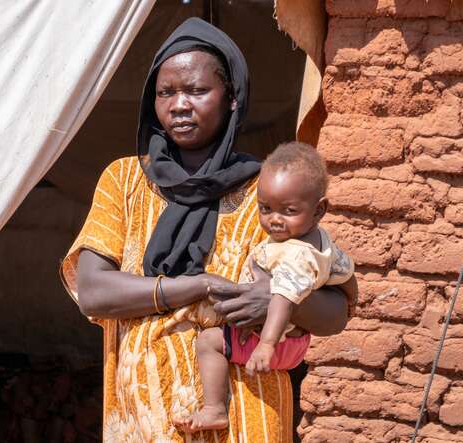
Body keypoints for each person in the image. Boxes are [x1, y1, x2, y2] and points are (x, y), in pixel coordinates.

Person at [60, 17, 357, 442]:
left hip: (246, 418)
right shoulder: (124, 181)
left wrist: (282, 302)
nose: (180, 104)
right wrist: (196, 286)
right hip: (142, 419)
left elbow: (336, 311)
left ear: (232, 98)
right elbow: (93, 291)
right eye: (166, 93)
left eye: (197, 90)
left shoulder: (269, 191)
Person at [176, 142, 355, 432]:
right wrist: (352, 299)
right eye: (265, 209)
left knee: (209, 342)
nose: (274, 219)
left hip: (273, 344)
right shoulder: (321, 243)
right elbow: (346, 274)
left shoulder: (295, 255)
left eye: (288, 210)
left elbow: (282, 297)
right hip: (291, 342)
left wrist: (267, 344)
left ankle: (214, 409)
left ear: (319, 209)